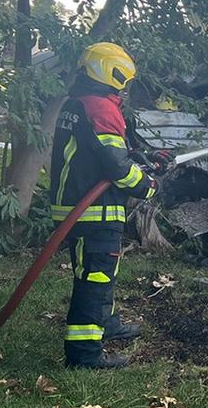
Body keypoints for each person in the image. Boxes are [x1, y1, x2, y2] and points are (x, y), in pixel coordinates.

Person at [48, 43, 166, 369]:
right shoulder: (101, 107)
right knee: (95, 279)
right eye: (122, 81)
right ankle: (84, 355)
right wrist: (148, 186)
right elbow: (116, 167)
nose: (124, 88)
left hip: (76, 206)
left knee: (99, 273)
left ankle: (107, 323)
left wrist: (141, 158)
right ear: (110, 73)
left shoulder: (78, 103)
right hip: (93, 210)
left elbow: (104, 152)